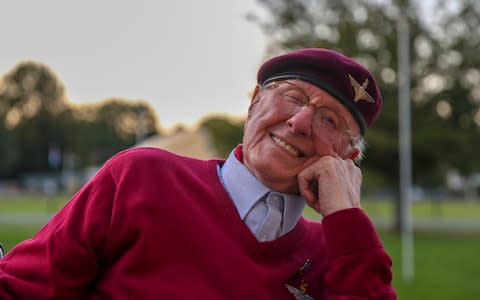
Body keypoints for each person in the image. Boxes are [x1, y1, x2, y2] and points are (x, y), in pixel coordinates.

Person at [0, 48, 396, 299]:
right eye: (292, 97)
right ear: (255, 102)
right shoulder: (142, 179)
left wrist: (346, 217)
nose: (300, 122)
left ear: (348, 155)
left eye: (330, 121)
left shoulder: (338, 256)